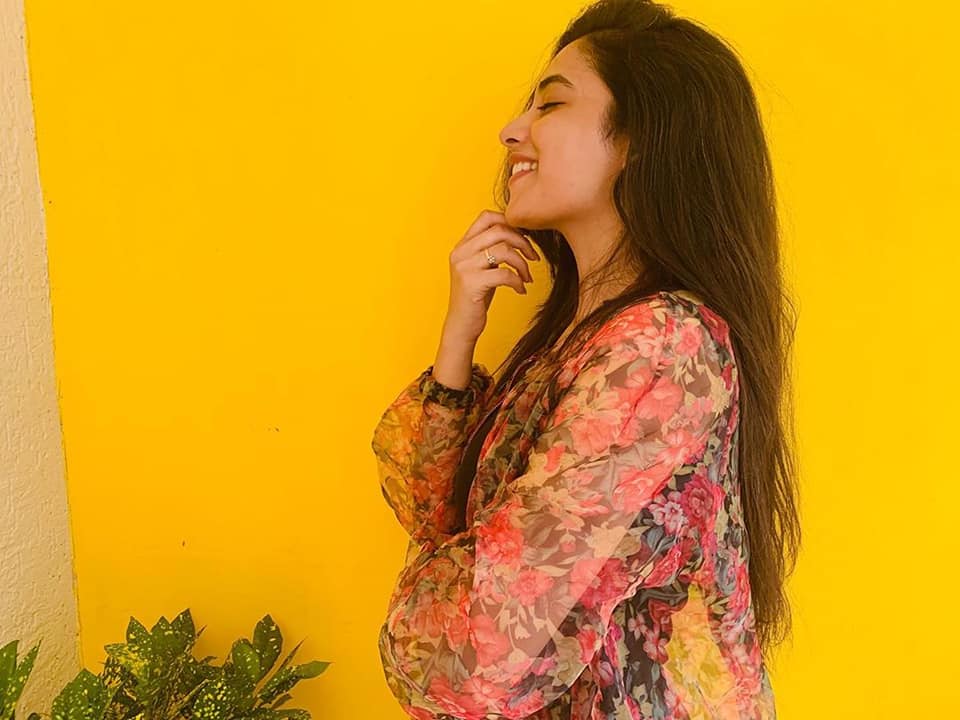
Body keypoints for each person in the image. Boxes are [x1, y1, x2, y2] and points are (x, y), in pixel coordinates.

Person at [371, 1, 799, 717]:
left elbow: (478, 654)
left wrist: (425, 595)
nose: (511, 131)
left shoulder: (659, 349)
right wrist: (458, 339)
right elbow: (435, 515)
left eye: (550, 104)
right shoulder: (578, 339)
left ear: (638, 140)